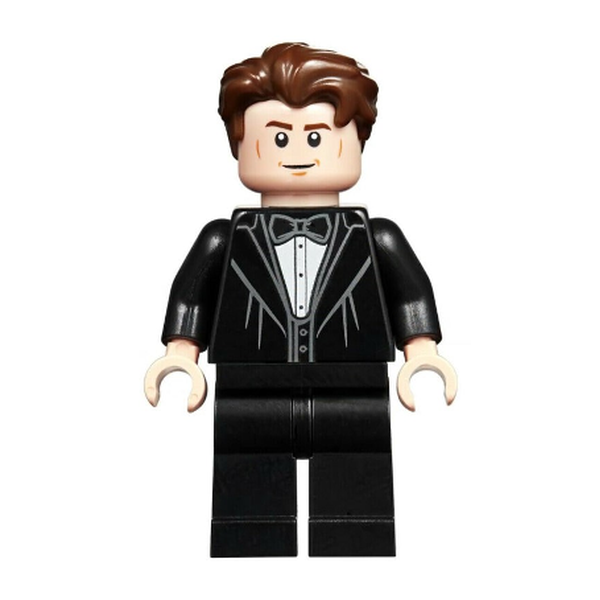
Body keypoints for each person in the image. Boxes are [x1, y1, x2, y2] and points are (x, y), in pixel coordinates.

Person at [144, 42, 457, 557]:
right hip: (250, 384)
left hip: (353, 384)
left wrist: (421, 351)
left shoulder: (376, 236)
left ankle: (355, 552)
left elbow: (410, 291)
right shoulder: (224, 237)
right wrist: (180, 353)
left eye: (315, 136)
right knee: (248, 486)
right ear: (239, 144)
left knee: (357, 487)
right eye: (278, 137)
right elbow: (192, 292)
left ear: (357, 141)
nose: (297, 152)